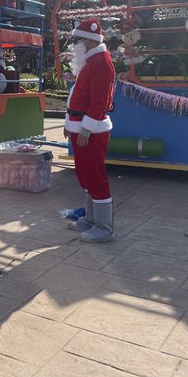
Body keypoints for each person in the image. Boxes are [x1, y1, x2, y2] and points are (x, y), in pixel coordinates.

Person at [64, 18, 116, 243]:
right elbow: (79, 96)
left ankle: (104, 227)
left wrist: (86, 129)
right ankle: (91, 219)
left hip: (91, 130)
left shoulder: (100, 63)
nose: (75, 44)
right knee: (85, 175)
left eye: (78, 40)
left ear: (90, 41)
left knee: (95, 176)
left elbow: (99, 101)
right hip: (81, 127)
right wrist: (70, 125)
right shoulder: (91, 61)